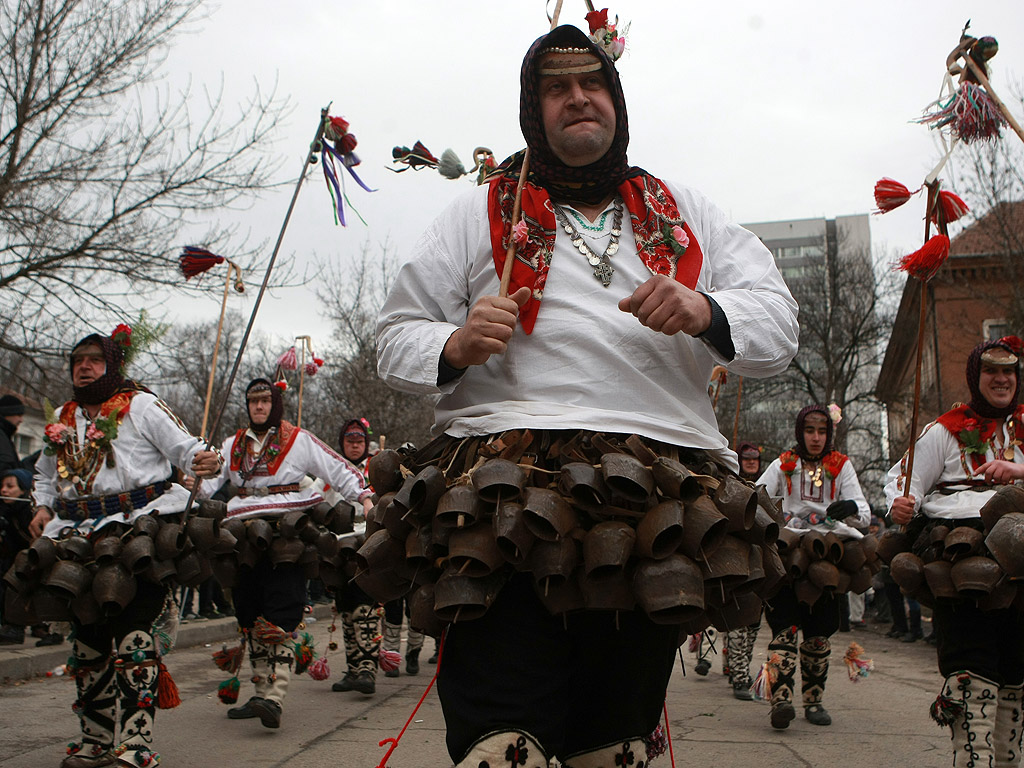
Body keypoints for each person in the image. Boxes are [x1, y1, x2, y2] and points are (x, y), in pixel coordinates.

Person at [375, 22, 798, 767]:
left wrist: (707, 311)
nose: (578, 98)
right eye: (556, 87)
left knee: (615, 736)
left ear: (617, 100)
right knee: (501, 732)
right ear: (533, 110)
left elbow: (778, 323)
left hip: (654, 488)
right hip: (502, 480)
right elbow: (394, 334)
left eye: (592, 82)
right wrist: (454, 343)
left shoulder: (685, 208)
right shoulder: (479, 213)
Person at [28, 328, 222, 768]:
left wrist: (208, 459)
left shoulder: (140, 405)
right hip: (77, 535)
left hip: (139, 529)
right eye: (77, 359)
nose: (84, 366)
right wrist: (40, 507)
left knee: (135, 635)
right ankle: (95, 741)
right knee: (88, 638)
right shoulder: (61, 417)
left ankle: (135, 744)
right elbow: (42, 475)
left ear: (112, 365)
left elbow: (187, 448)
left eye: (94, 359)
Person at [886, 336, 1024, 768]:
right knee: (970, 659)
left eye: (1009, 371)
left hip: (1020, 554)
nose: (1001, 379)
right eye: (991, 371)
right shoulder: (944, 430)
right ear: (974, 377)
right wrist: (901, 502)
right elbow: (903, 479)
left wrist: (1017, 470)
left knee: (1017, 666)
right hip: (959, 548)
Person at [203, 381, 373, 728]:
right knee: (248, 610)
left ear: (275, 404)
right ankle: (260, 689)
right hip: (243, 531)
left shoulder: (298, 439)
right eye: (253, 401)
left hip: (288, 529)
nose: (259, 407)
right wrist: (190, 480)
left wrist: (365, 497)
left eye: (265, 400)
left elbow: (336, 468)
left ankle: (275, 696)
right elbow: (206, 482)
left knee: (282, 608)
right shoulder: (232, 444)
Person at [758, 405, 870, 730]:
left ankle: (814, 700)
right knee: (784, 627)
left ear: (829, 433)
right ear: (800, 432)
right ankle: (780, 700)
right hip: (790, 549)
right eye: (810, 431)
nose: (816, 438)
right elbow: (759, 494)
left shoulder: (842, 465)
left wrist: (849, 506)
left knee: (819, 631)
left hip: (827, 554)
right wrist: (781, 516)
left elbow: (863, 510)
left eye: (822, 432)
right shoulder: (783, 464)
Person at [329, 417, 384, 697]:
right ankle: (353, 668)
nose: (354, 446)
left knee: (366, 605)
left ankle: (367, 668)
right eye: (349, 442)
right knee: (346, 607)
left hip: (368, 544)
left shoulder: (378, 469)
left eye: (359, 441)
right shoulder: (332, 469)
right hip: (339, 546)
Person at [0, 467, 62, 646]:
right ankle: (15, 626)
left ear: (24, 489)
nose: (4, 490)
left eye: (10, 486)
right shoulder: (6, 511)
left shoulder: (34, 511)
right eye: (2, 486)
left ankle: (50, 629)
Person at [723, 441, 764, 701]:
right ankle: (738, 675)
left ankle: (741, 668)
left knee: (754, 621)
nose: (751, 462)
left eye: (755, 458)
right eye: (746, 458)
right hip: (736, 554)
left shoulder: (765, 485)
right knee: (738, 617)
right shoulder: (729, 481)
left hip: (760, 554)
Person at [0, 393, 25, 474]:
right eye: (19, 415)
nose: (21, 420)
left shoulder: (6, 435)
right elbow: (6, 466)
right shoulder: (2, 436)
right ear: (7, 414)